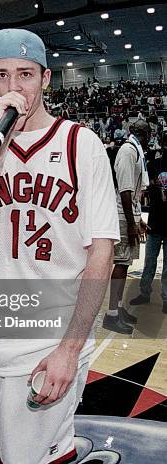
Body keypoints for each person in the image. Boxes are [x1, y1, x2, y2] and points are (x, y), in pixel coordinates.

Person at [0, 29, 118, 464]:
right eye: (2, 75)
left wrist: (70, 349)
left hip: (50, 339)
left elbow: (101, 253)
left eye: (25, 74)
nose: (14, 87)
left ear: (46, 79)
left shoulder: (82, 144)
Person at [103, 120, 151, 334]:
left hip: (128, 214)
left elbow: (133, 193)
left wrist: (137, 219)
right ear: (135, 132)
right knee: (121, 264)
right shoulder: (128, 151)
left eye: (146, 131)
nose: (146, 135)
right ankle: (111, 314)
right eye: (143, 132)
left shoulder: (135, 151)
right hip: (122, 216)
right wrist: (131, 223)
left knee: (126, 264)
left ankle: (119, 308)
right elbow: (125, 191)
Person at [129, 169, 167, 314]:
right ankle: (145, 293)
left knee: (164, 267)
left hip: (157, 225)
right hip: (154, 225)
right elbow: (141, 193)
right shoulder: (152, 166)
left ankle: (165, 298)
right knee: (150, 262)